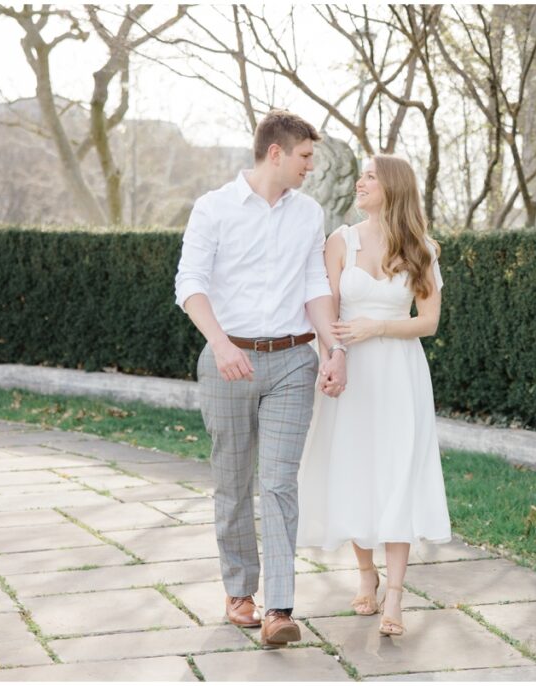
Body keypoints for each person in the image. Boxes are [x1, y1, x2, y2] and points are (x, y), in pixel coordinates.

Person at [174, 110, 348, 648]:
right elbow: (190, 283)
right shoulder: (214, 207)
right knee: (232, 482)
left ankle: (279, 608)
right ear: (276, 152)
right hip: (229, 361)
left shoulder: (308, 213)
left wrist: (332, 347)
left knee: (277, 484)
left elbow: (315, 284)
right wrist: (221, 344)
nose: (310, 167)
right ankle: (239, 592)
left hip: (294, 362)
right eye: (304, 157)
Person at [298, 154, 452, 637]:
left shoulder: (422, 249)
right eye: (361, 175)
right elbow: (324, 308)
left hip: (399, 373)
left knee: (398, 472)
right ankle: (366, 574)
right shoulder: (339, 241)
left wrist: (379, 327)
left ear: (393, 186)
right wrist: (332, 355)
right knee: (353, 467)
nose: (361, 182)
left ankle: (398, 596)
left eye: (370, 176)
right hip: (350, 371)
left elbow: (428, 322)